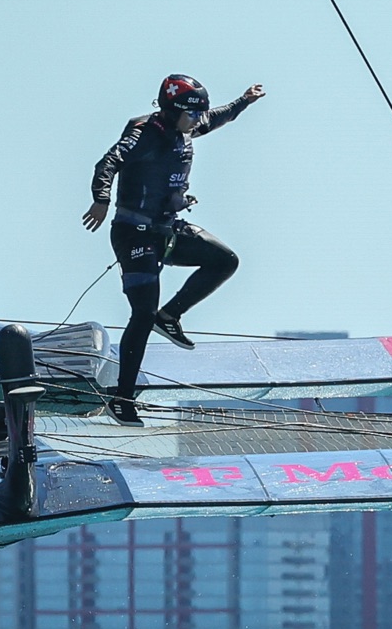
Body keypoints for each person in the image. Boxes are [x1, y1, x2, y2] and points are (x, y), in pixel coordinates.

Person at [84, 74, 265, 425]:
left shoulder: (188, 125)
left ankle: (169, 317)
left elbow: (218, 117)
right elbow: (107, 163)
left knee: (224, 260)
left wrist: (244, 100)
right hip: (133, 234)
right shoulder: (142, 134)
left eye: (199, 115)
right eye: (191, 115)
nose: (197, 121)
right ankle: (121, 398)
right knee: (141, 311)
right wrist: (101, 199)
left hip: (166, 229)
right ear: (170, 111)